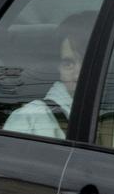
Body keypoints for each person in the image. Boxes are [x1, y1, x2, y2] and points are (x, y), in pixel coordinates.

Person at [6, 10, 94, 138]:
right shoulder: (30, 120)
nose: (77, 75)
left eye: (88, 63)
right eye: (68, 64)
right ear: (58, 69)